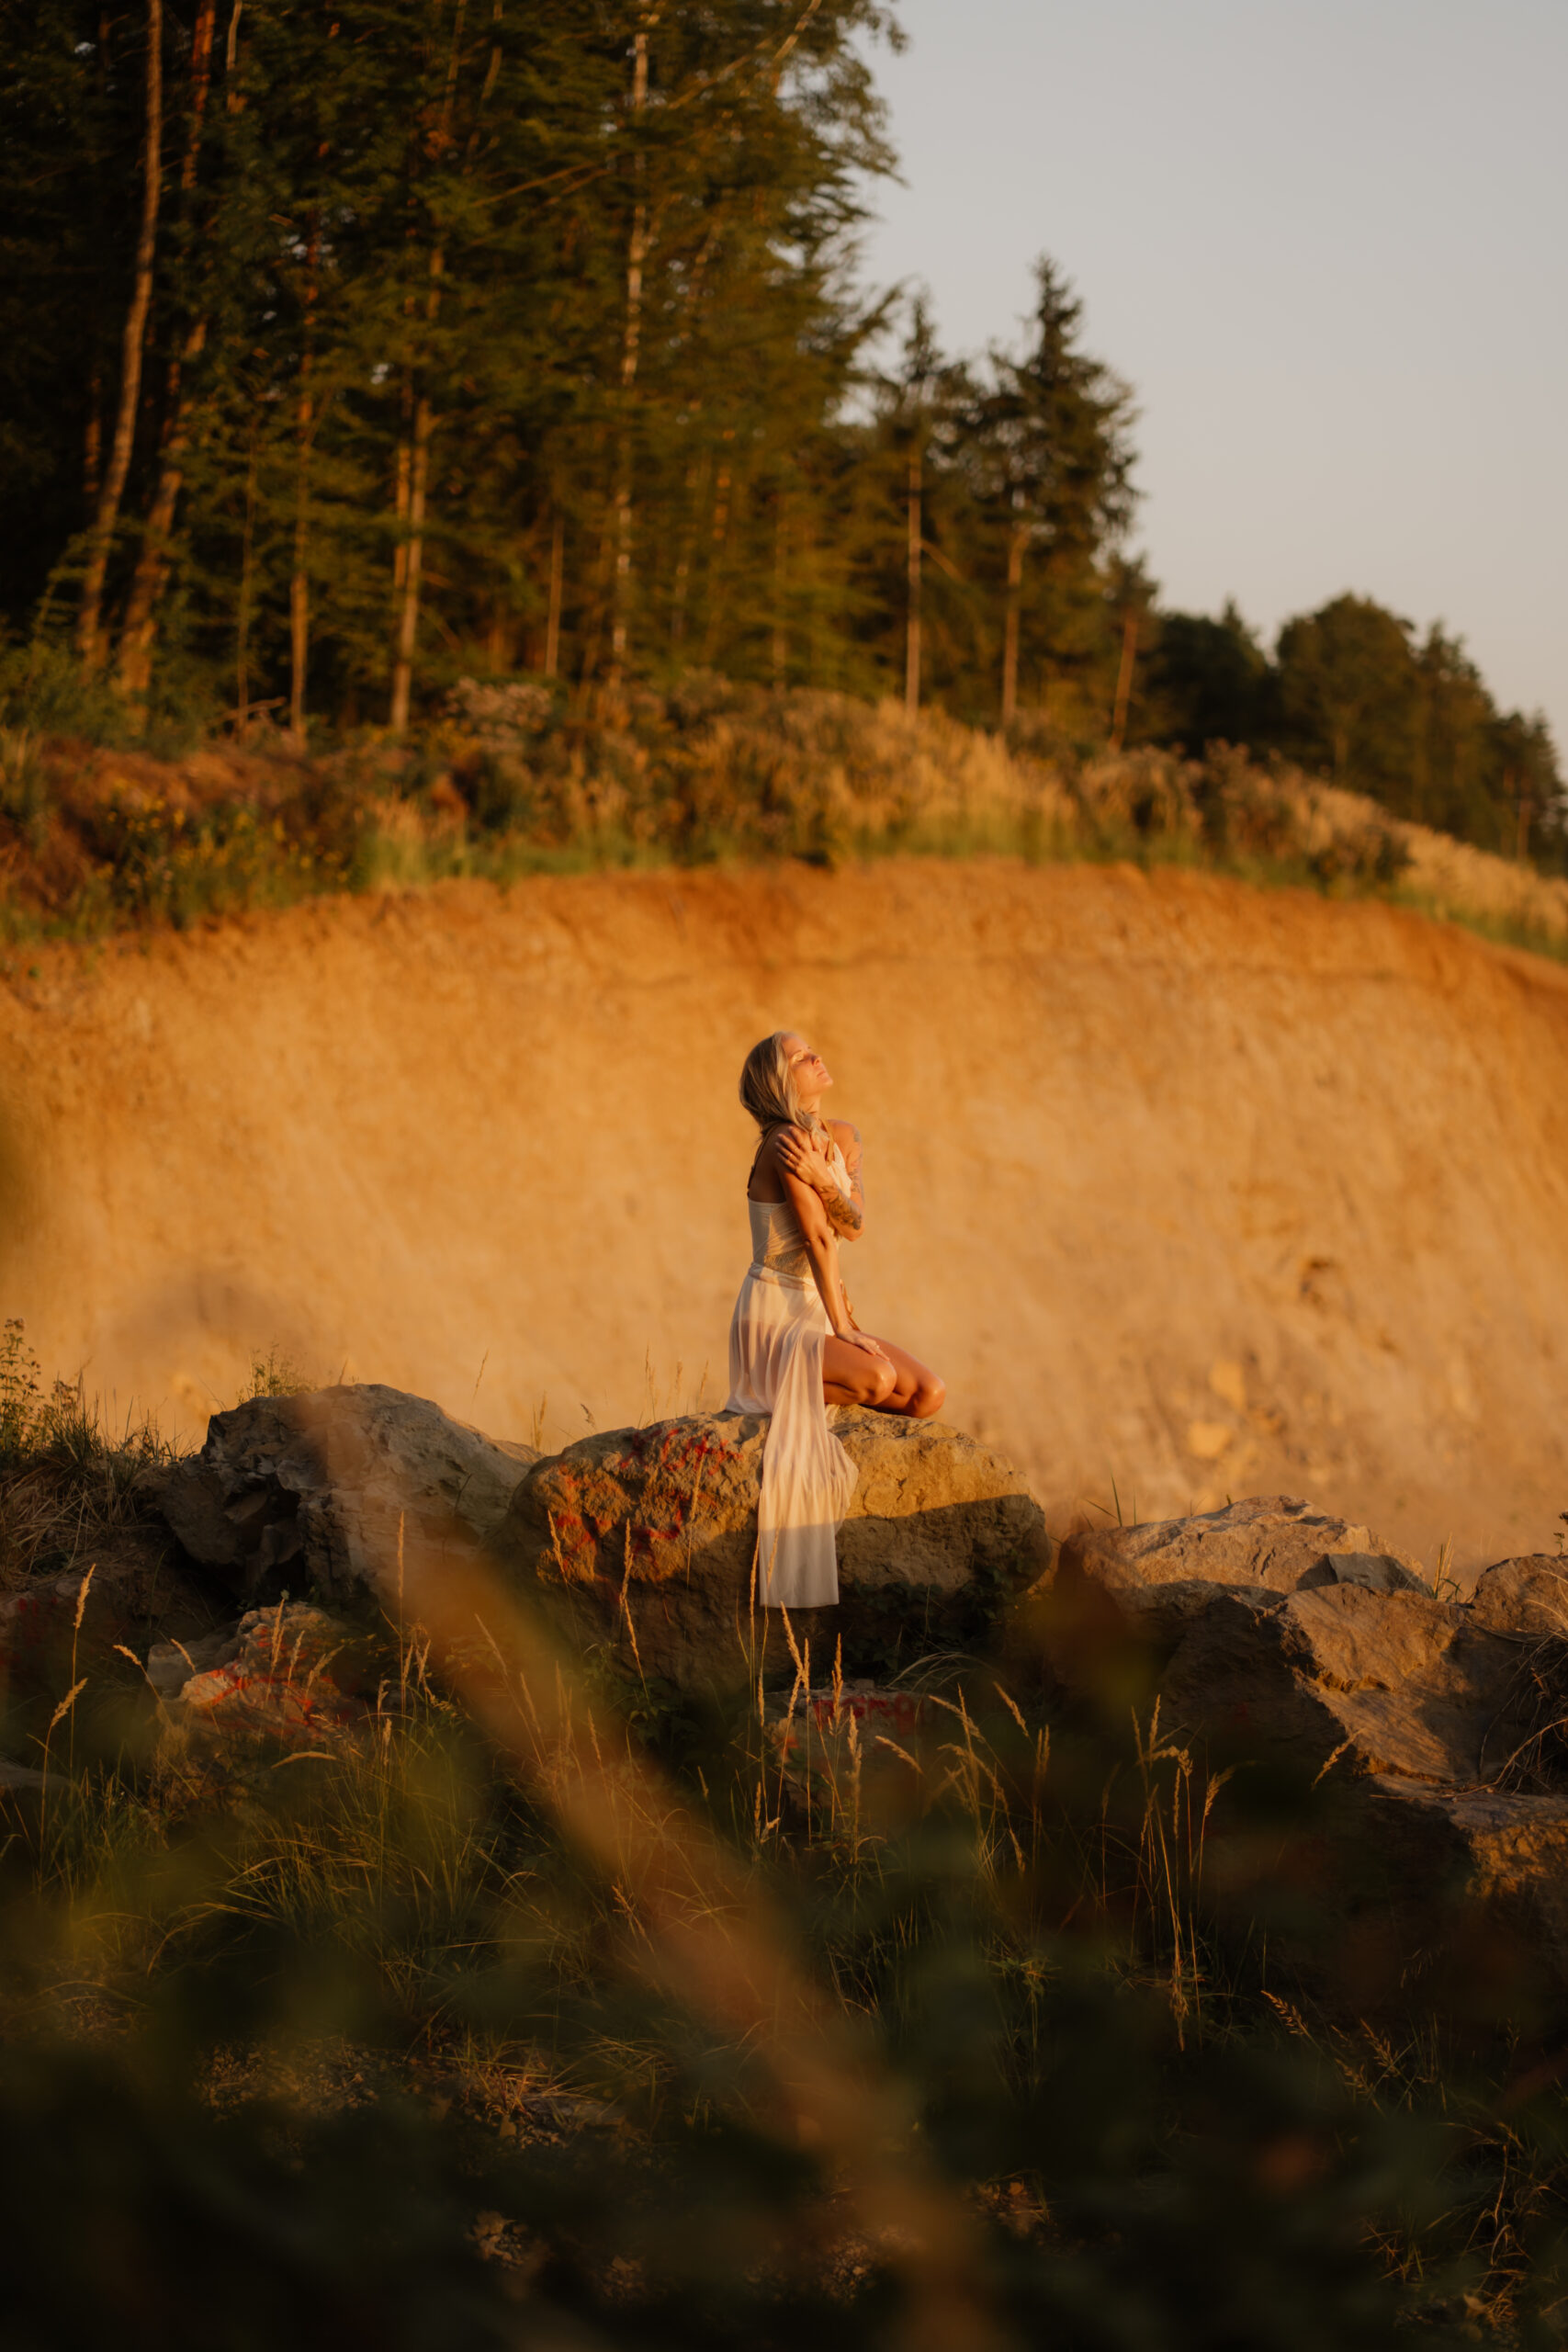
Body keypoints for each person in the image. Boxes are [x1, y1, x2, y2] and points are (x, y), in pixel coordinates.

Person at [726, 1030, 944, 1610]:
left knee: (927, 1395)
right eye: (800, 1058)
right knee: (876, 1380)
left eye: (811, 1049)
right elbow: (820, 1237)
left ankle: (816, 1379)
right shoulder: (784, 1143)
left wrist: (828, 1179)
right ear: (779, 1081)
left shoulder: (840, 1137)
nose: (815, 1057)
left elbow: (854, 1224)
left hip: (819, 1307)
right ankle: (788, 1385)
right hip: (778, 1313)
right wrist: (843, 1325)